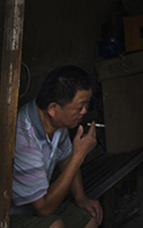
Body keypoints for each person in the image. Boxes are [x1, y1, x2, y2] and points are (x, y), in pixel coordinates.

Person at [11, 65, 104, 228]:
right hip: (12, 214)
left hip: (38, 203)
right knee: (55, 225)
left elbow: (66, 157)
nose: (84, 111)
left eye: (86, 105)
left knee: (89, 221)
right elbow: (44, 210)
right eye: (79, 106)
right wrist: (79, 156)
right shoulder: (25, 138)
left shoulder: (56, 124)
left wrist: (80, 197)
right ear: (53, 108)